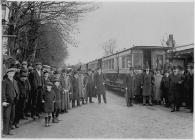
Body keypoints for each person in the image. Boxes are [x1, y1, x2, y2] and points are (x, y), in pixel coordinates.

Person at [2, 68, 17, 136]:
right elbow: (3, 92)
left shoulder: (14, 81)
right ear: (7, 74)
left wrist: (17, 97)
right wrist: (4, 100)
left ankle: (9, 130)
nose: (11, 74)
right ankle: (4, 132)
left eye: (12, 73)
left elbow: (16, 90)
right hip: (7, 101)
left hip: (14, 101)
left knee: (12, 116)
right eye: (10, 73)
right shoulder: (5, 81)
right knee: (6, 117)